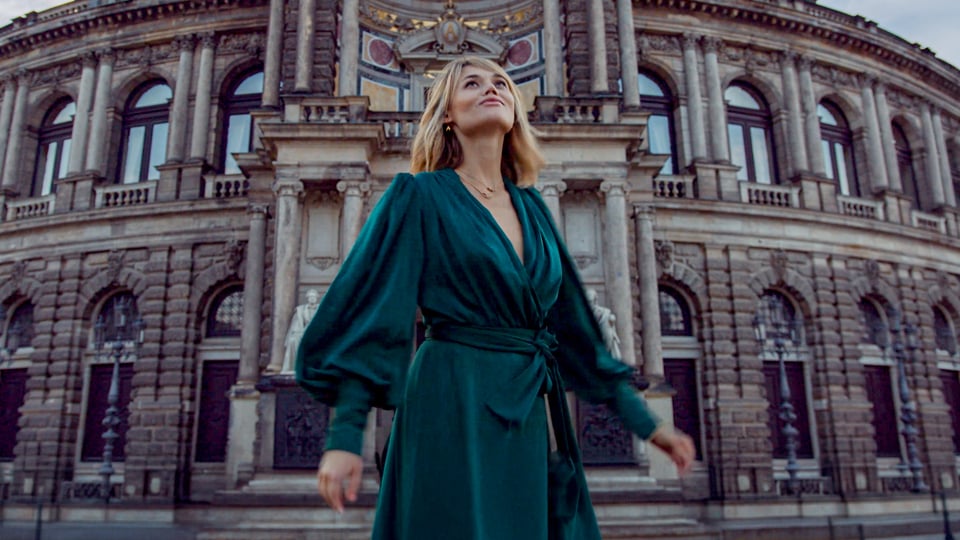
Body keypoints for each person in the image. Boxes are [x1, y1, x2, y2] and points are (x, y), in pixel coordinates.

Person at [296, 56, 695, 540]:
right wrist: (345, 437)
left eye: (502, 83)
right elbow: (372, 315)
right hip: (451, 397)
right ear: (447, 113)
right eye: (473, 83)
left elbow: (576, 332)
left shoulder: (533, 207)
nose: (493, 89)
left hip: (527, 405)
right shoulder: (417, 195)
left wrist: (648, 424)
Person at [280, 289, 321, 373]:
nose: (312, 299)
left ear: (317, 298)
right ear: (307, 298)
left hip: (317, 333)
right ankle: (294, 367)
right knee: (293, 340)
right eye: (310, 297)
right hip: (303, 332)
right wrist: (300, 332)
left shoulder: (321, 309)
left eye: (314, 297)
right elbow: (296, 325)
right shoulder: (301, 310)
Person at [586, 288, 622, 360]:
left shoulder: (604, 312)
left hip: (604, 341)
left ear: (595, 301)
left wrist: (611, 319)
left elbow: (608, 328)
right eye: (588, 302)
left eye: (590, 301)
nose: (590, 304)